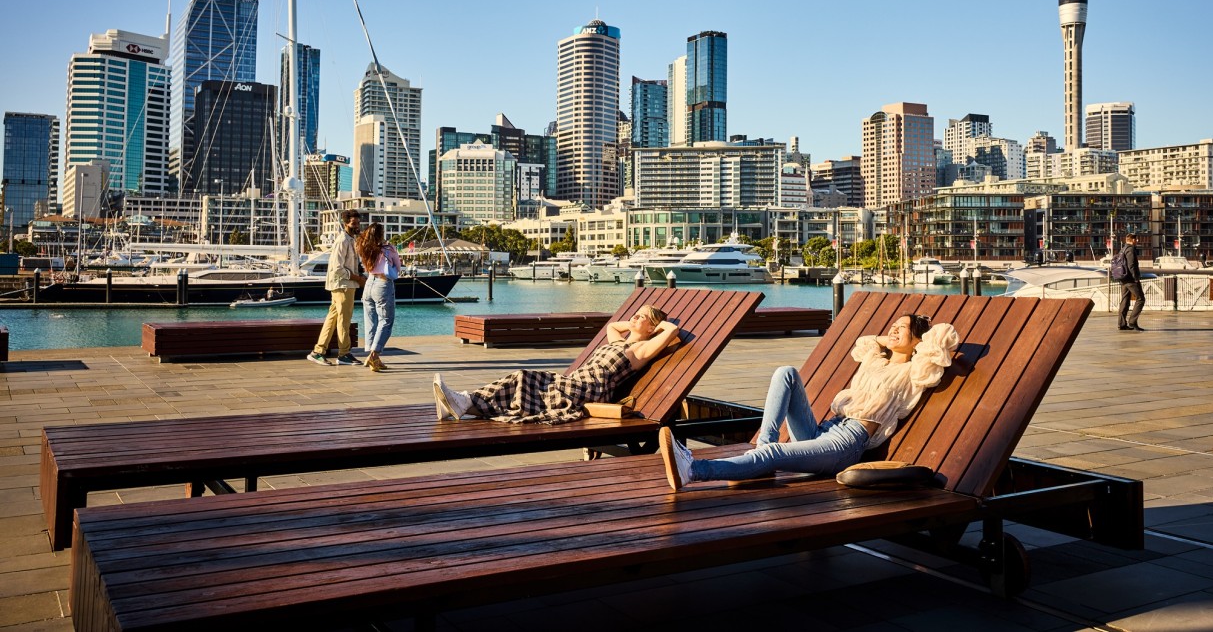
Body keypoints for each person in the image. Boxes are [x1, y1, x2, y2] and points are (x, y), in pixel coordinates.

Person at [659, 313, 960, 491]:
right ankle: (763, 446)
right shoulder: (875, 361)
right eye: (892, 325)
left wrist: (918, 335)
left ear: (919, 340)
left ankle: (694, 470)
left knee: (775, 454)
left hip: (846, 444)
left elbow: (942, 339)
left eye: (901, 328)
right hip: (826, 430)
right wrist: (893, 337)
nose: (893, 330)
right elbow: (865, 342)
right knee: (786, 373)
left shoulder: (914, 372)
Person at [433, 305, 679, 424]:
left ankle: (463, 401)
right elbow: (613, 326)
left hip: (590, 389)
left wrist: (656, 327)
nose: (634, 317)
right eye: (636, 313)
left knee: (524, 378)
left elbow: (672, 330)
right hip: (577, 381)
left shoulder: (640, 350)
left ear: (652, 327)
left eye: (641, 317)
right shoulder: (619, 342)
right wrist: (638, 323)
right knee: (522, 380)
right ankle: (463, 403)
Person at [307, 209, 365, 366]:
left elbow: (349, 265)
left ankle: (318, 351)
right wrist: (358, 279)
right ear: (345, 223)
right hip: (343, 286)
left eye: (358, 223)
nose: (357, 226)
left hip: (345, 285)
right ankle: (344, 354)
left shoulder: (351, 240)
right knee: (344, 320)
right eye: (353, 223)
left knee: (332, 319)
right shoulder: (342, 241)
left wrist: (360, 275)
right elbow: (337, 268)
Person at [356, 222, 401, 372]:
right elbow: (397, 268)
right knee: (386, 321)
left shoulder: (364, 248)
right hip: (382, 284)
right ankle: (374, 355)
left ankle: (373, 356)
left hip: (369, 284)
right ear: (380, 234)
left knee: (371, 322)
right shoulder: (389, 249)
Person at [1116, 232, 1146, 331]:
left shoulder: (1123, 249)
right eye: (1136, 239)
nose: (1137, 241)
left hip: (1123, 278)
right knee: (1141, 299)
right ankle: (1132, 322)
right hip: (1130, 279)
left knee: (1125, 300)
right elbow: (1131, 265)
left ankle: (1122, 324)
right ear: (1133, 240)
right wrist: (1135, 278)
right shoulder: (1131, 249)